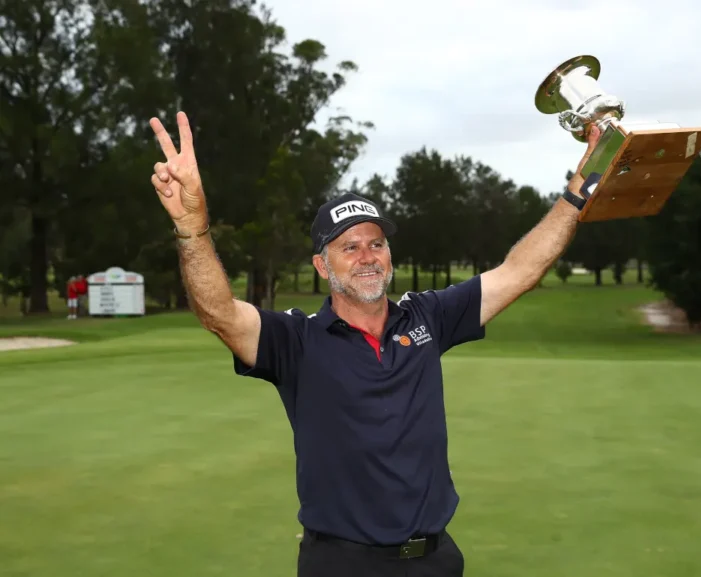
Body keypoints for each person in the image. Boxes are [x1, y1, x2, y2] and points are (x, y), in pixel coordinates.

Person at [148, 111, 600, 577]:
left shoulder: (428, 317)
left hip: (435, 561)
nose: (367, 257)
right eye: (349, 247)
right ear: (322, 267)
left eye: (376, 243)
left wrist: (580, 188)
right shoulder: (297, 340)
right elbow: (219, 313)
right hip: (342, 564)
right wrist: (192, 227)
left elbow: (520, 271)